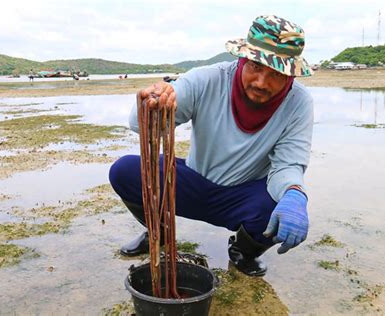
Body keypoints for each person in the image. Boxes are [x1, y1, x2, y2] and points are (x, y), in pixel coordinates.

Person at [109, 14, 314, 276]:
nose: (262, 82)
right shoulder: (207, 79)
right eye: (255, 67)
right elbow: (142, 125)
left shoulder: (299, 103)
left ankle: (243, 251)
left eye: (276, 73)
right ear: (242, 58)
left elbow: (288, 164)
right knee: (124, 171)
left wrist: (295, 193)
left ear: (291, 75)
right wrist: (153, 104)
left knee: (279, 203)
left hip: (243, 197)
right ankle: (156, 232)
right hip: (191, 184)